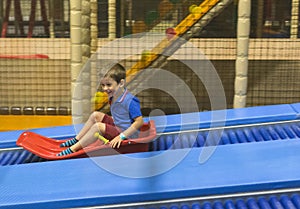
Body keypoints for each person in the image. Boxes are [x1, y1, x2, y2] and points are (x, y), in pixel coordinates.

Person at [57, 63, 144, 156]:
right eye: (103, 85)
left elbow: (139, 122)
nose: (105, 88)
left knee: (98, 127)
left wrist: (121, 137)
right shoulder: (113, 96)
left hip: (128, 135)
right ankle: (77, 139)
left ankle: (73, 149)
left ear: (121, 83)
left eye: (109, 85)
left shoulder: (130, 100)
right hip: (118, 127)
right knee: (96, 115)